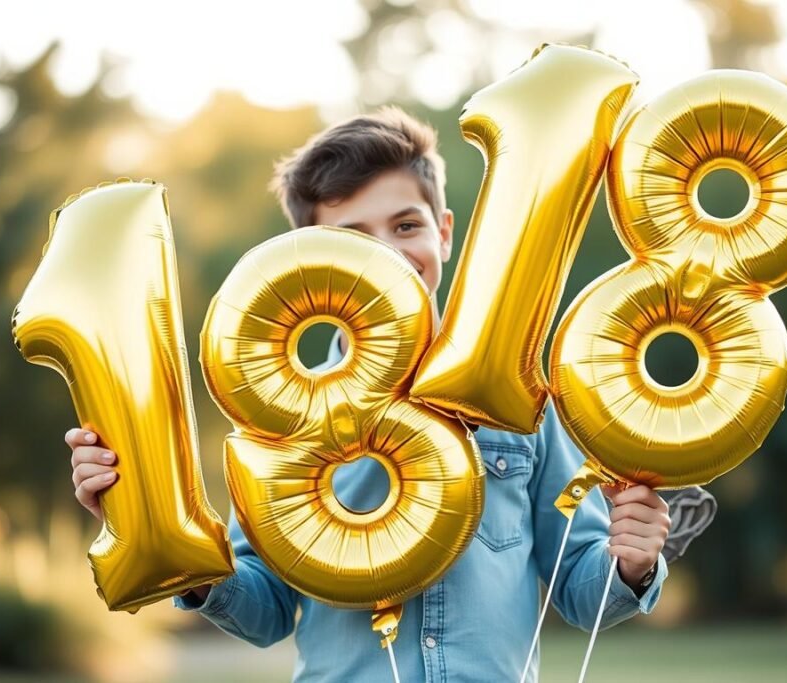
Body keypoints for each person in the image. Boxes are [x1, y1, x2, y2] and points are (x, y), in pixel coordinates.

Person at [65, 107, 713, 682]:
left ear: (446, 233)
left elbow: (577, 586)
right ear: (310, 257)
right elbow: (264, 610)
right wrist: (148, 518)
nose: (387, 256)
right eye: (353, 238)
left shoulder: (521, 401)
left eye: (406, 226)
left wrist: (629, 561)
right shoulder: (280, 416)